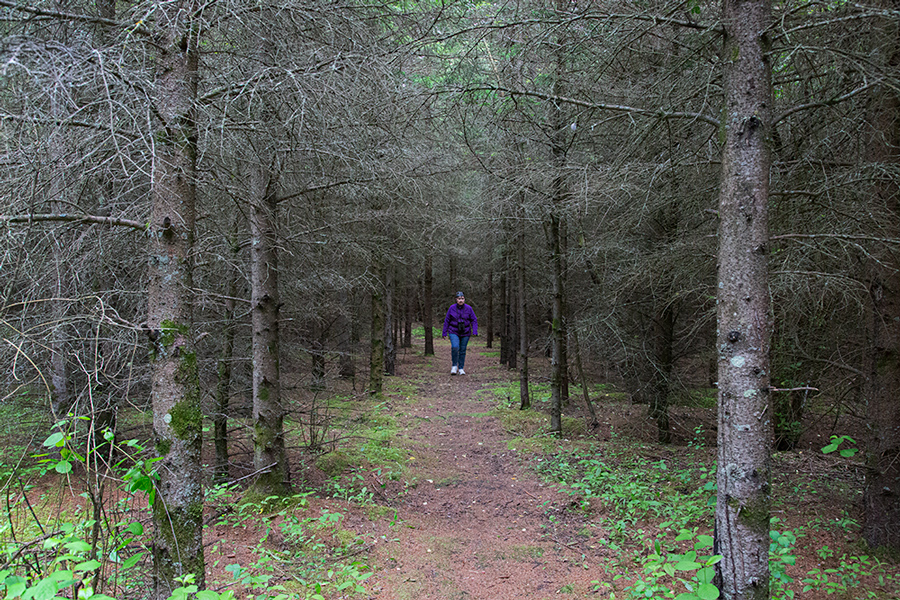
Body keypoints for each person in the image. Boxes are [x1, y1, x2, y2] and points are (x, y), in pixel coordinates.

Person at [442, 291, 478, 375]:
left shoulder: (469, 308)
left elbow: (474, 320)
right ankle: (454, 366)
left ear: (464, 299)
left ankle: (461, 368)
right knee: (455, 347)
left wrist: (475, 330)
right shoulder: (452, 308)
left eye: (462, 298)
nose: (460, 300)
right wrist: (444, 332)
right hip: (453, 330)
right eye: (459, 299)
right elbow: (447, 320)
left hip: (465, 332)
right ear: (456, 299)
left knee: (462, 350)